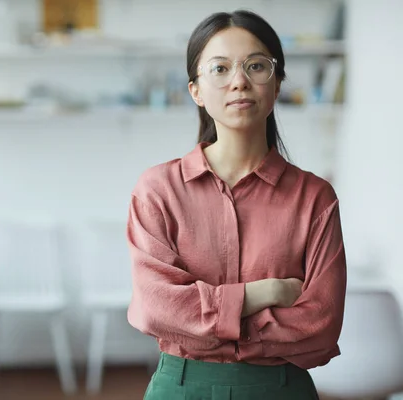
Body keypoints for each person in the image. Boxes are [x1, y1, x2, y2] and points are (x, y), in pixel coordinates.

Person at [126, 9, 347, 400]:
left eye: (256, 66)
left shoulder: (314, 198)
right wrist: (265, 293)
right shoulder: (158, 190)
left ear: (277, 84)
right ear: (195, 89)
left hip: (281, 390)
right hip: (179, 388)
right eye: (220, 68)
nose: (240, 81)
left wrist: (204, 321)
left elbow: (321, 325)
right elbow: (156, 307)